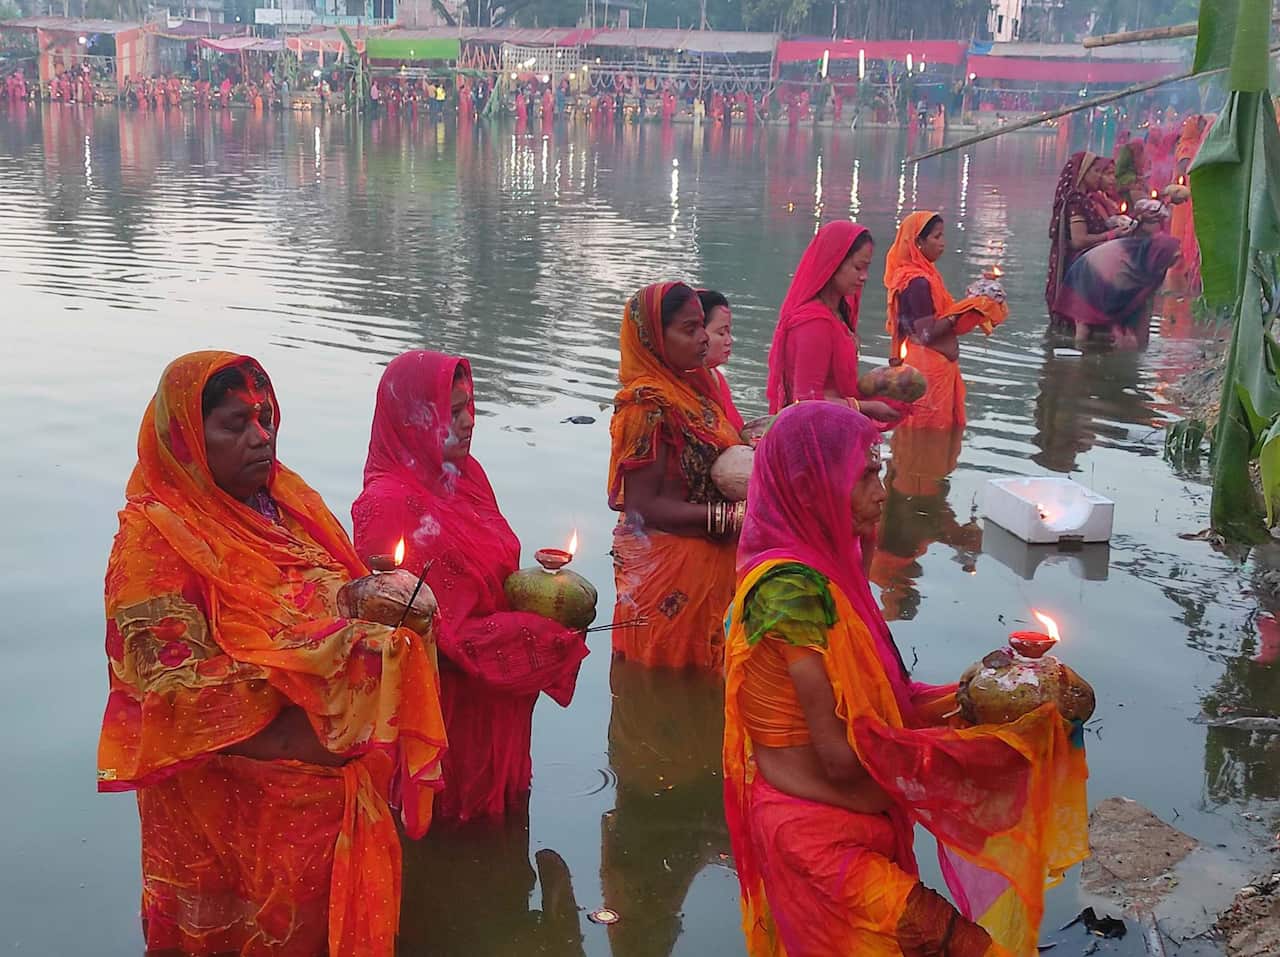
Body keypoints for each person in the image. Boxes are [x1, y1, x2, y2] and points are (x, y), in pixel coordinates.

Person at [97, 352, 447, 956]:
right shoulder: (154, 543)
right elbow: (172, 699)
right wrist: (324, 704)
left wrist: (370, 599)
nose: (261, 438)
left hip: (324, 790)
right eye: (235, 425)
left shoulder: (289, 506)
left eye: (266, 419)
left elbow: (324, 594)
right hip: (228, 812)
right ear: (186, 438)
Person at [723, 402, 1089, 957]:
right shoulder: (787, 593)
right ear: (811, 484)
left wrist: (981, 698)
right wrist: (970, 754)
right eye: (865, 474)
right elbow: (842, 756)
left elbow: (884, 703)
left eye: (879, 469)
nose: (882, 488)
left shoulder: (831, 574)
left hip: (854, 818)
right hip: (815, 838)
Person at [353, 351, 588, 823]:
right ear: (410, 419)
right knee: (449, 830)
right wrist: (532, 635)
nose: (468, 423)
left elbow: (492, 579)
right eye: (451, 412)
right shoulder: (387, 505)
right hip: (442, 713)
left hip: (497, 698)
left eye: (469, 407)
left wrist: (545, 597)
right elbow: (424, 636)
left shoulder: (466, 476)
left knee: (498, 819)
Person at [608, 282, 745, 671]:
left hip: (708, 571)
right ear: (654, 340)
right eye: (689, 330)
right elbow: (642, 506)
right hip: (667, 579)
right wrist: (732, 517)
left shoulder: (692, 388)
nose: (704, 338)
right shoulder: (646, 406)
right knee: (663, 692)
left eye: (703, 326)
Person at [764, 221, 900, 425]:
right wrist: (865, 407)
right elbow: (805, 401)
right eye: (857, 267)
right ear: (833, 263)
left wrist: (880, 383)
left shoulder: (839, 313)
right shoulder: (814, 324)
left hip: (836, 425)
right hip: (816, 434)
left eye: (866, 268)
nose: (864, 277)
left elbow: (835, 383)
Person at [884, 211, 1004, 431]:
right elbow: (927, 334)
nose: (942, 243)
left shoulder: (925, 275)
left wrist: (974, 301)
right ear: (918, 242)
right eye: (936, 237)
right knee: (926, 440)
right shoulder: (917, 281)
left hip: (930, 368)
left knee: (930, 442)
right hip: (927, 372)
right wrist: (961, 312)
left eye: (942, 236)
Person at [1054, 205, 1181, 348]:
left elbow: (1143, 304)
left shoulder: (1152, 263)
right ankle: (1080, 357)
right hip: (1087, 274)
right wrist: (1118, 332)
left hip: (1103, 275)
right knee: (1083, 326)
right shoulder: (1124, 264)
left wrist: (1139, 342)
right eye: (1173, 257)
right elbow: (1113, 303)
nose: (1176, 261)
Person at [1046, 151, 1136, 330]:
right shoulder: (1076, 201)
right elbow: (1079, 240)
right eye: (1096, 171)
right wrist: (1113, 234)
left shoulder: (1088, 199)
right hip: (1081, 270)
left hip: (1091, 266)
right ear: (1082, 173)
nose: (1100, 176)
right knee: (1083, 325)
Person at [698, 289, 744, 432]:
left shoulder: (715, 376)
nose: (729, 341)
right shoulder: (678, 387)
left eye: (729, 332)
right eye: (721, 333)